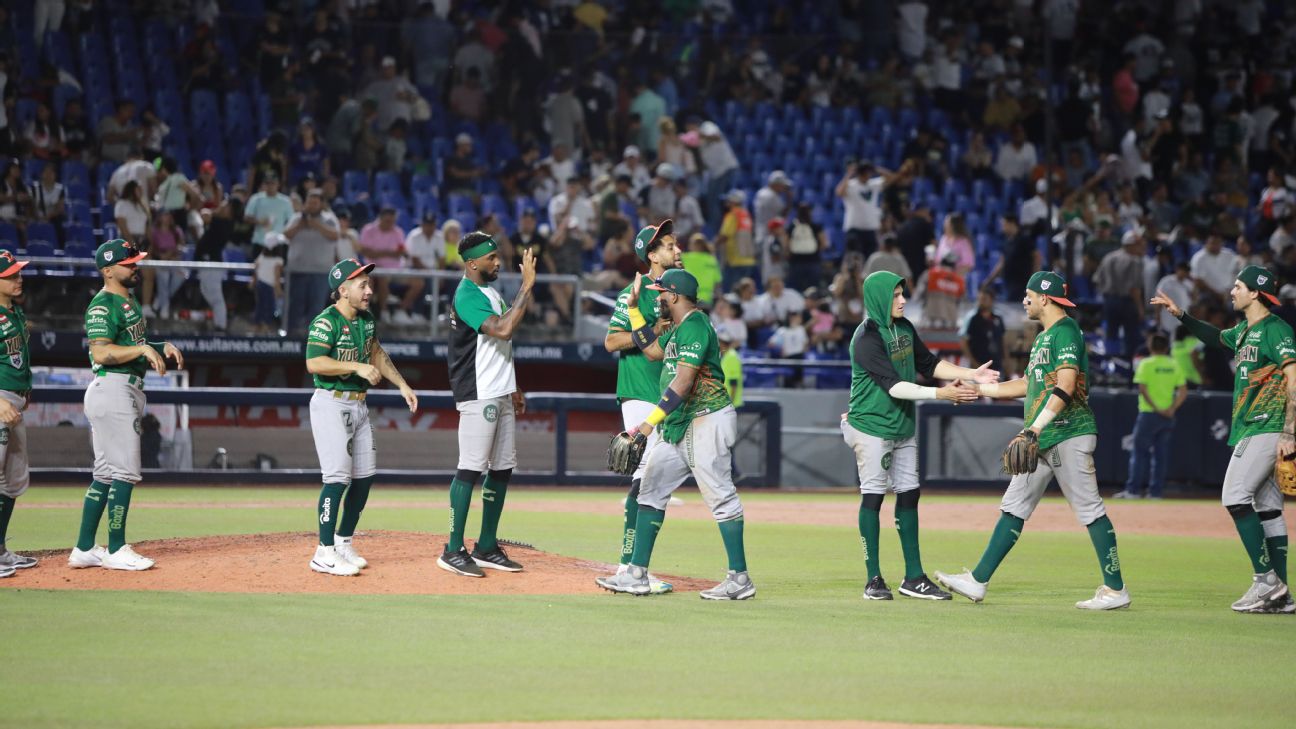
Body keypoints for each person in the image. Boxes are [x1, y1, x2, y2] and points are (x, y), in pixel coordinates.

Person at [936, 271, 1130, 610]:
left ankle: (1116, 590)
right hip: (1043, 435)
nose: (1024, 300)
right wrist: (977, 390)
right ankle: (978, 581)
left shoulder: (1065, 331)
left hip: (1068, 432)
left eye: (1028, 295)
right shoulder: (1043, 338)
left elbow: (1066, 386)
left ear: (1045, 298)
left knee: (1089, 510)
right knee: (1014, 507)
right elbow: (1027, 384)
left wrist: (1034, 429)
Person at [595, 269, 755, 599]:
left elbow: (682, 383)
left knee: (721, 497)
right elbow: (652, 350)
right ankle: (636, 574)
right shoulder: (680, 327)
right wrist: (635, 308)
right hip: (681, 423)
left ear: (675, 296)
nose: (659, 298)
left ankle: (739, 579)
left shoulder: (696, 325)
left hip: (706, 419)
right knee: (650, 488)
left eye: (661, 293)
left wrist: (647, 424)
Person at [844, 270, 993, 600]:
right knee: (873, 497)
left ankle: (914, 577)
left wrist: (970, 373)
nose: (903, 300)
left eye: (902, 294)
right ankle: (873, 580)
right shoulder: (866, 337)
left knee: (909, 495)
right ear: (880, 298)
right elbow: (894, 386)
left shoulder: (905, 328)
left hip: (902, 424)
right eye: (896, 295)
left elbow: (929, 363)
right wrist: (941, 395)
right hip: (872, 426)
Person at [1153, 268, 1295, 613]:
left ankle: (1266, 581)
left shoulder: (1275, 330)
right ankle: (1281, 594)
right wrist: (1181, 316)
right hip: (1254, 425)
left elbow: (1294, 376)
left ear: (1256, 293)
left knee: (1234, 496)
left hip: (1266, 424)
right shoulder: (1246, 330)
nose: (1231, 291)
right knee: (1268, 508)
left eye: (1239, 286)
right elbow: (1217, 338)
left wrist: (1290, 431)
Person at [69, 240, 185, 572]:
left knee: (105, 474)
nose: (135, 266)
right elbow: (102, 352)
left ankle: (84, 547)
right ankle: (117, 547)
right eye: (128, 262)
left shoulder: (128, 301)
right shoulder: (103, 305)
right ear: (108, 271)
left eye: (135, 261)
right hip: (113, 388)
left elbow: (132, 344)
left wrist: (159, 346)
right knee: (124, 473)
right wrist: (141, 351)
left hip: (121, 390)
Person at [305, 258, 418, 576]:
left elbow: (376, 352)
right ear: (342, 290)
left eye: (368, 283)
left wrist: (402, 384)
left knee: (365, 477)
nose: (368, 289)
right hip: (331, 403)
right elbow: (314, 363)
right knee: (337, 478)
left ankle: (343, 542)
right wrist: (356, 367)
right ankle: (323, 552)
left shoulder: (366, 319)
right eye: (361, 284)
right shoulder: (326, 322)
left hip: (358, 405)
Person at [439, 233, 537, 577]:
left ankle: (486, 545)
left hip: (500, 390)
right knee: (470, 467)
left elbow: (498, 350)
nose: (498, 262)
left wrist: (514, 385)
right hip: (478, 392)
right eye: (492, 257)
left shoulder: (490, 292)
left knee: (502, 468)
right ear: (472, 263)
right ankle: (452, 548)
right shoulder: (466, 295)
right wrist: (527, 286)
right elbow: (504, 330)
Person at [602, 222, 686, 593]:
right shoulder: (631, 295)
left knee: (656, 481)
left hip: (667, 393)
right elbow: (610, 341)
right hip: (639, 392)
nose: (677, 250)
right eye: (668, 246)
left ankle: (634, 566)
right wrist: (651, 330)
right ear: (651, 255)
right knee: (645, 479)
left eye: (675, 244)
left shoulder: (678, 293)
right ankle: (629, 566)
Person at [1115, 334, 1187, 500]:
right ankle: (1156, 493)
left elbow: (1142, 388)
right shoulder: (1174, 364)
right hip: (1168, 416)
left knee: (1139, 453)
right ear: (1167, 347)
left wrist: (1156, 409)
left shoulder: (1146, 364)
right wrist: (1171, 409)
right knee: (1161, 456)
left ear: (1150, 346)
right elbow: (1183, 391)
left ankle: (1132, 491)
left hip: (1148, 414)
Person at [0, 251, 35, 576]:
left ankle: (1, 551)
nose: (18, 278)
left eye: (18, 273)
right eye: (10, 274)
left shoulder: (15, 314)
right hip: (1, 402)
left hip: (15, 402)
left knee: (12, 480)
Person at [283, 189, 341, 332]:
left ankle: (313, 341)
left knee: (316, 308)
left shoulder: (329, 219)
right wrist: (300, 225)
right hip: (297, 270)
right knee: (295, 306)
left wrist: (316, 225)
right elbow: (286, 235)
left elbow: (335, 236)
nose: (311, 205)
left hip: (320, 272)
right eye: (309, 202)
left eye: (315, 203)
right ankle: (292, 338)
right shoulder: (296, 218)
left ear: (321, 204)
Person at [836, 159, 908, 257]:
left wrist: (876, 169)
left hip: (870, 229)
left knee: (870, 258)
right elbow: (839, 192)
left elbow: (893, 178)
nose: (868, 175)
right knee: (853, 257)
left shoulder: (873, 184)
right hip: (854, 229)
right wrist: (848, 174)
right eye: (866, 173)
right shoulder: (851, 185)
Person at [1092, 229, 1147, 358]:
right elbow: (1134, 289)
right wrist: (1140, 309)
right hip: (1127, 302)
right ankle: (1128, 366)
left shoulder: (1109, 257)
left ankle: (1110, 363)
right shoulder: (1134, 260)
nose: (1142, 247)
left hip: (1109, 300)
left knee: (1111, 333)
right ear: (1131, 245)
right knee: (1131, 335)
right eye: (1139, 244)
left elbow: (1096, 280)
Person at [357, 205, 407, 322]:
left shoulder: (398, 232)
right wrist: (389, 253)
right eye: (387, 221)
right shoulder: (368, 230)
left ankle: (398, 311)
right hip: (372, 269)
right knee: (377, 278)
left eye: (392, 221)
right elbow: (366, 252)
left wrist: (378, 253)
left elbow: (400, 252)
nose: (390, 224)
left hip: (395, 270)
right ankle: (377, 311)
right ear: (380, 218)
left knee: (418, 282)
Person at [717, 190, 758, 290]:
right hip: (748, 259)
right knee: (743, 291)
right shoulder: (746, 215)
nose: (727, 202)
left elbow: (724, 236)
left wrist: (713, 245)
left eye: (729, 200)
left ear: (734, 201)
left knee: (733, 292)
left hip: (735, 260)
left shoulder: (732, 215)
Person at [245, 172, 295, 253]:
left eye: (273, 183)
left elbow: (291, 221)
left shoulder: (286, 201)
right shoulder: (256, 199)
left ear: (278, 184)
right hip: (260, 241)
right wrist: (259, 221)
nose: (270, 186)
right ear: (263, 184)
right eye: (267, 183)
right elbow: (247, 217)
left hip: (278, 242)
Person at [960, 289, 1007, 373]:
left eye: (984, 299)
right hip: (977, 367)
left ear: (992, 300)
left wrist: (1006, 361)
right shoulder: (971, 318)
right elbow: (963, 342)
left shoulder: (998, 317)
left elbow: (1003, 341)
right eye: (979, 299)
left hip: (996, 366)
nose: (981, 302)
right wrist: (973, 363)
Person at [253, 233, 285, 335]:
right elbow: (277, 276)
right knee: (269, 308)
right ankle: (265, 329)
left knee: (260, 306)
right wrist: (278, 289)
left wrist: (253, 282)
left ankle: (257, 328)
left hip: (259, 285)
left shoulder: (261, 257)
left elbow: (256, 270)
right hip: (269, 287)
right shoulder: (278, 260)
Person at [680, 233, 721, 305]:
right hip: (707, 298)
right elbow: (717, 281)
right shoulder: (712, 259)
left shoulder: (685, 258)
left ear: (692, 245)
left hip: (690, 298)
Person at [719, 332, 743, 406]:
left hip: (730, 402)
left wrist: (730, 403)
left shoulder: (732, 357)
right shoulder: (725, 356)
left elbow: (734, 382)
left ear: (723, 344)